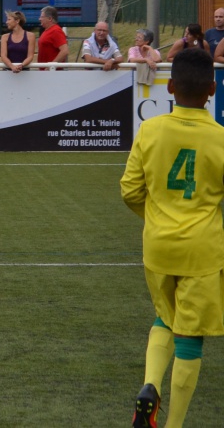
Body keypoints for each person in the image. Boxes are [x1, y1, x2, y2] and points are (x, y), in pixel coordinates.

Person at [121, 49, 224, 428]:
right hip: (202, 250)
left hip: (158, 246)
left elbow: (130, 191)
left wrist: (157, 220)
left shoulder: (150, 130)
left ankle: (150, 385)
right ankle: (174, 424)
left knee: (165, 317)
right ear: (212, 89)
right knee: (191, 336)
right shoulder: (221, 139)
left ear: (171, 86)